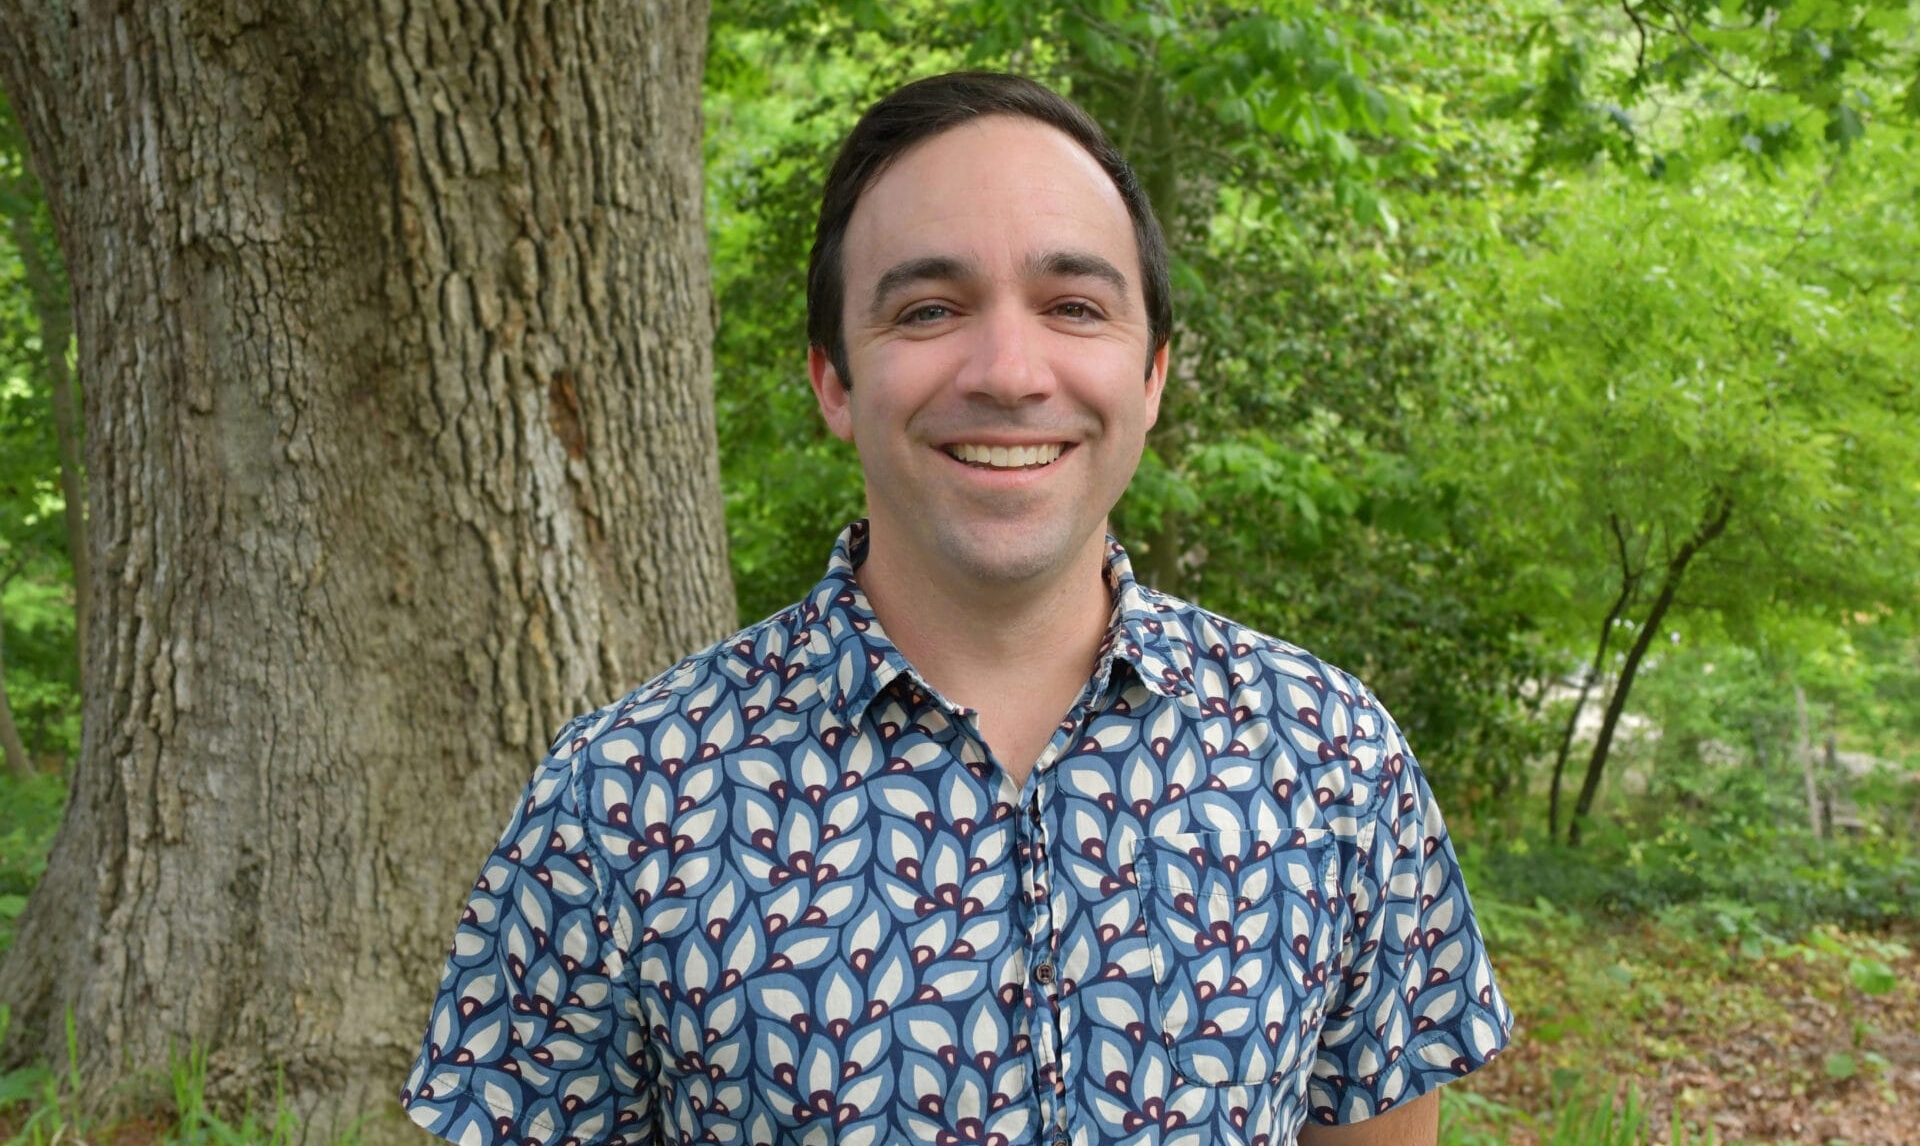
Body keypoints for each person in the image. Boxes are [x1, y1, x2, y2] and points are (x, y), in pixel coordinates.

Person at [402, 71, 1512, 1146]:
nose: (1011, 370)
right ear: (835, 379)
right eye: (930, 308)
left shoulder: (1330, 758)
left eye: (1074, 305)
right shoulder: (622, 796)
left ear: (1152, 376)